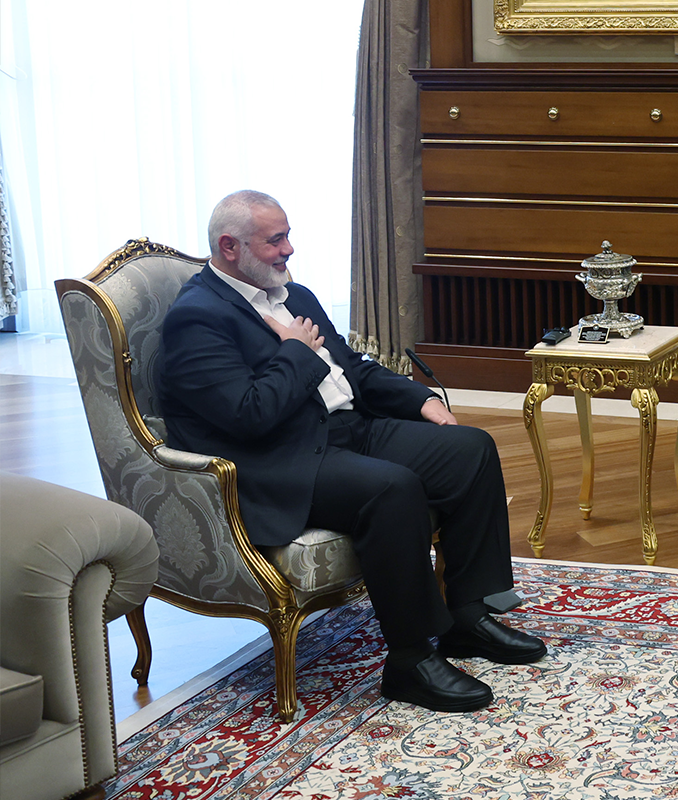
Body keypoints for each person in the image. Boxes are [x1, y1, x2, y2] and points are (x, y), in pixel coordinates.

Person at [157, 190, 545, 712]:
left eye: (287, 235)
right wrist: (296, 351)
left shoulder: (296, 295)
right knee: (392, 489)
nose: (288, 250)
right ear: (230, 247)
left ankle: (468, 617)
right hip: (283, 458)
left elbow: (352, 369)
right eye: (275, 241)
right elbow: (249, 415)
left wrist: (421, 400)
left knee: (468, 448)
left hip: (347, 428)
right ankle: (410, 661)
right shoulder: (198, 319)